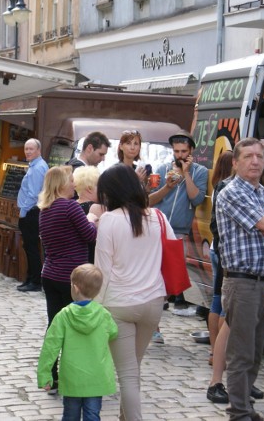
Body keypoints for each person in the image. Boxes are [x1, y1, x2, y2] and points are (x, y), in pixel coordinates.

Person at [216, 138, 264, 421]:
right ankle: (239, 413)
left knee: (256, 352)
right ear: (235, 163)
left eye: (260, 156)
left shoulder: (260, 193)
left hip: (263, 282)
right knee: (242, 352)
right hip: (243, 282)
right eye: (248, 156)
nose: (256, 161)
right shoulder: (233, 191)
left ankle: (246, 406)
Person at [94, 164, 171, 421]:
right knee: (133, 368)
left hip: (119, 302)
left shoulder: (109, 220)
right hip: (153, 302)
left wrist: (94, 306)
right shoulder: (158, 216)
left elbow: (101, 269)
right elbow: (171, 251)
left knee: (127, 373)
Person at [38, 166, 98, 394]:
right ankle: (73, 377)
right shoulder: (70, 206)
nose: (74, 185)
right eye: (71, 181)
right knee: (76, 329)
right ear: (61, 184)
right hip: (72, 278)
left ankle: (50, 377)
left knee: (54, 327)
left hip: (50, 274)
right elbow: (90, 236)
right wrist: (92, 218)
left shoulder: (45, 208)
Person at [37, 263, 117, 421]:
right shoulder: (104, 315)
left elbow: (50, 347)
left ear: (75, 288)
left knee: (70, 416)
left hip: (72, 378)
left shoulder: (63, 316)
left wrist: (45, 375)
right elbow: (114, 333)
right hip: (96, 377)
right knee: (93, 415)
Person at [149, 130, 207, 312]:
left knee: (174, 266)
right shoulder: (162, 170)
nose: (180, 155)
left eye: (183, 151)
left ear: (191, 151)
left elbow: (196, 199)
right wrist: (168, 186)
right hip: (158, 225)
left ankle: (174, 297)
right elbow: (151, 200)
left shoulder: (200, 172)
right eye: (176, 151)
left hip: (180, 229)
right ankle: (158, 300)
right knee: (155, 264)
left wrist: (187, 174)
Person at [206, 151, 234, 403]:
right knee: (221, 302)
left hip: (215, 248)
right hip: (222, 251)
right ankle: (217, 353)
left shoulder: (218, 187)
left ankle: (216, 351)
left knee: (217, 299)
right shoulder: (226, 189)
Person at [16, 138, 49, 292]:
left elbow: (33, 194)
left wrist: (23, 212)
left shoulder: (37, 168)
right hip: (31, 212)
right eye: (26, 149)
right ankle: (30, 278)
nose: (28, 152)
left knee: (31, 248)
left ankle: (35, 281)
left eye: (31, 149)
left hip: (31, 212)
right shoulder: (35, 166)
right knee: (29, 246)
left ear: (38, 150)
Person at [73, 165, 100, 263]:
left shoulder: (72, 206)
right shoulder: (95, 208)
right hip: (90, 259)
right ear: (90, 188)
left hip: (74, 259)